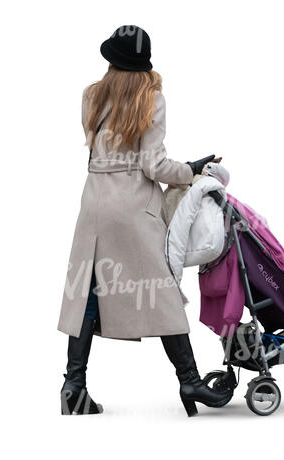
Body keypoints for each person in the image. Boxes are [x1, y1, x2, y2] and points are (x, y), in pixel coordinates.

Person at [58, 26, 231, 417]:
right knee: (162, 290)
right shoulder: (151, 99)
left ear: (110, 58)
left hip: (94, 206)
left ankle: (74, 386)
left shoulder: (90, 96)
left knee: (87, 292)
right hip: (133, 208)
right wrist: (192, 169)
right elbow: (154, 166)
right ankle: (189, 381)